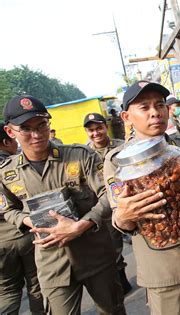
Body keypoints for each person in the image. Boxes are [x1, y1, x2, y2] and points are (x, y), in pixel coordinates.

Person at [103, 80, 180, 314]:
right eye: (144, 107)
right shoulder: (118, 162)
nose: (155, 113)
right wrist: (124, 217)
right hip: (164, 271)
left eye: (159, 105)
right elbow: (121, 217)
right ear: (127, 117)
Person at [0, 95, 125, 314]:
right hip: (52, 263)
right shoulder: (7, 173)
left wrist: (82, 225)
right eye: (26, 129)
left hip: (95, 254)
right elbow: (8, 209)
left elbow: (111, 194)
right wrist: (27, 220)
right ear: (10, 132)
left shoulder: (80, 156)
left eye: (42, 125)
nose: (37, 135)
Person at [83, 112, 132, 294]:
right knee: (106, 247)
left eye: (99, 128)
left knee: (117, 242)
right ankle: (114, 282)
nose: (96, 133)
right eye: (91, 130)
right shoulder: (85, 153)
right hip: (99, 206)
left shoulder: (121, 147)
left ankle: (122, 279)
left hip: (122, 203)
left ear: (105, 127)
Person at [0, 122, 44, 315]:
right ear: (6, 140)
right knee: (36, 285)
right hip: (23, 233)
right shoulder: (11, 167)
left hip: (1, 243)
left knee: (7, 290)